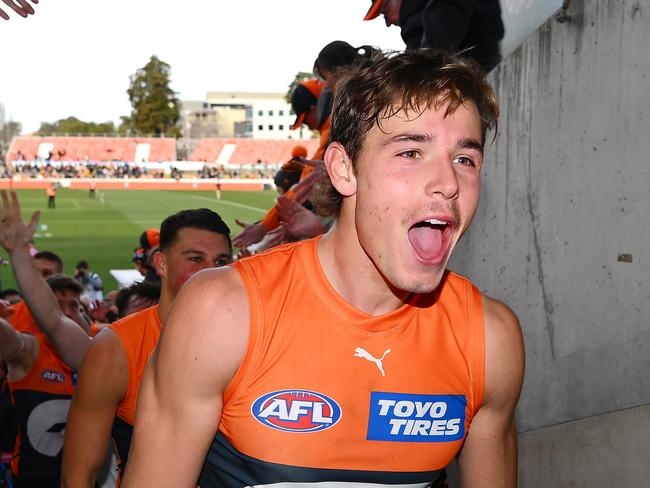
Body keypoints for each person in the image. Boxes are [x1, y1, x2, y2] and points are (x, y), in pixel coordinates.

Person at [123, 49, 524, 487]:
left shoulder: (490, 339)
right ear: (342, 169)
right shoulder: (222, 313)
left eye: (465, 159)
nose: (449, 183)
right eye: (411, 152)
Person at [62, 208, 233, 487]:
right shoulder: (116, 349)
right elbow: (78, 476)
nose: (210, 272)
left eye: (221, 260)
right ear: (161, 264)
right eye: (195, 259)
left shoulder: (251, 337)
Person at [0, 275, 88, 488]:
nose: (67, 313)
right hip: (35, 478)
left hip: (88, 477)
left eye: (74, 306)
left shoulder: (99, 347)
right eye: (58, 306)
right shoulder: (30, 350)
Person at [364, 0, 505, 72]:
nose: (388, 22)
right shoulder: (420, 29)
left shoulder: (438, 12)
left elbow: (429, 67)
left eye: (384, 13)